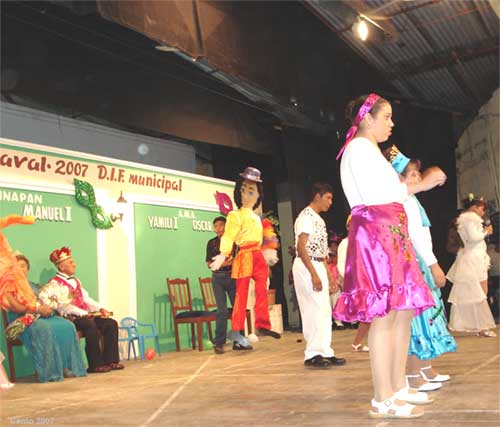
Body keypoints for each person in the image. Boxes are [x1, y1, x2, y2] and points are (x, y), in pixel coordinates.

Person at [332, 93, 447, 419]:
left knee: (403, 312)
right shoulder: (358, 149)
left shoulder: (370, 151)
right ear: (367, 119)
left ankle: (397, 387)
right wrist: (421, 184)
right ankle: (382, 396)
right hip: (376, 235)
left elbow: (393, 195)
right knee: (385, 315)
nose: (391, 124)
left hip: (391, 234)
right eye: (386, 117)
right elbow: (381, 195)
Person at [386, 146, 456, 392]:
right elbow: (415, 237)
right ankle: (413, 374)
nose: (418, 177)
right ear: (399, 178)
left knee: (428, 317)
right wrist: (434, 265)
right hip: (416, 263)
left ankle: (425, 368)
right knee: (419, 319)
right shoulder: (404, 202)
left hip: (421, 261)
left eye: (418, 173)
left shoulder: (412, 201)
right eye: (412, 174)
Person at [210, 167, 281, 342]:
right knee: (241, 294)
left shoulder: (257, 218)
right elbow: (229, 235)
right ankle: (236, 329)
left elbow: (265, 238)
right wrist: (223, 254)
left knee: (262, 289)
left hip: (257, 255)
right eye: (242, 190)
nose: (246, 195)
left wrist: (268, 252)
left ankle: (262, 324)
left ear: (258, 195)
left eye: (251, 191)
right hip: (245, 255)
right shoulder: (235, 215)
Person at [8, 254, 87, 382]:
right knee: (44, 328)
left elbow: (45, 301)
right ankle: (50, 371)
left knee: (67, 325)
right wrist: (37, 309)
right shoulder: (10, 288)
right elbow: (16, 307)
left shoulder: (35, 286)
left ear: (27, 268)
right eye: (17, 267)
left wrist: (50, 305)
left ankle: (66, 366)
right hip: (23, 319)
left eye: (23, 266)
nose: (21, 269)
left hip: (42, 316)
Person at [45, 247, 124, 373]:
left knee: (110, 323)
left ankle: (111, 361)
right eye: (71, 262)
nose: (74, 264)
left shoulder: (76, 281)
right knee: (90, 325)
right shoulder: (55, 283)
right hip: (71, 318)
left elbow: (86, 299)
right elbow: (62, 306)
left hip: (85, 315)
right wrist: (82, 313)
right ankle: (95, 364)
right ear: (62, 267)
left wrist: (99, 308)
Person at [292, 182, 346, 368]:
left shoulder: (319, 219)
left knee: (324, 309)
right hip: (306, 266)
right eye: (328, 197)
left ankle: (325, 351)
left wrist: (329, 276)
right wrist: (313, 274)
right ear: (317, 196)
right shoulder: (305, 217)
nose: (330, 202)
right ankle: (312, 353)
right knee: (313, 309)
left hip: (318, 264)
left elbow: (321, 252)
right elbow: (301, 247)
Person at [447, 195, 496, 336]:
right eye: (482, 209)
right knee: (479, 292)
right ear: (474, 207)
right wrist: (486, 231)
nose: (483, 212)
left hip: (476, 258)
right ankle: (482, 327)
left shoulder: (467, 219)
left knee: (479, 292)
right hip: (473, 259)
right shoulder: (470, 219)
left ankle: (480, 326)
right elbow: (473, 238)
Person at [205, 216, 243, 354]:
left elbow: (237, 260)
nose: (218, 228)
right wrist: (224, 263)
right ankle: (219, 343)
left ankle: (239, 341)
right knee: (221, 311)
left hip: (233, 277)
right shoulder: (211, 243)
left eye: (221, 225)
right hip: (218, 279)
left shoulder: (234, 242)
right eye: (215, 226)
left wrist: (221, 263)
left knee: (237, 309)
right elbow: (209, 263)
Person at [337, 215, 370, 352]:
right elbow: (341, 264)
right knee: (368, 314)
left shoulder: (363, 242)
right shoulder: (345, 243)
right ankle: (357, 342)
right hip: (356, 284)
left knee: (370, 314)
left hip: (367, 282)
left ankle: (359, 342)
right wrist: (350, 280)